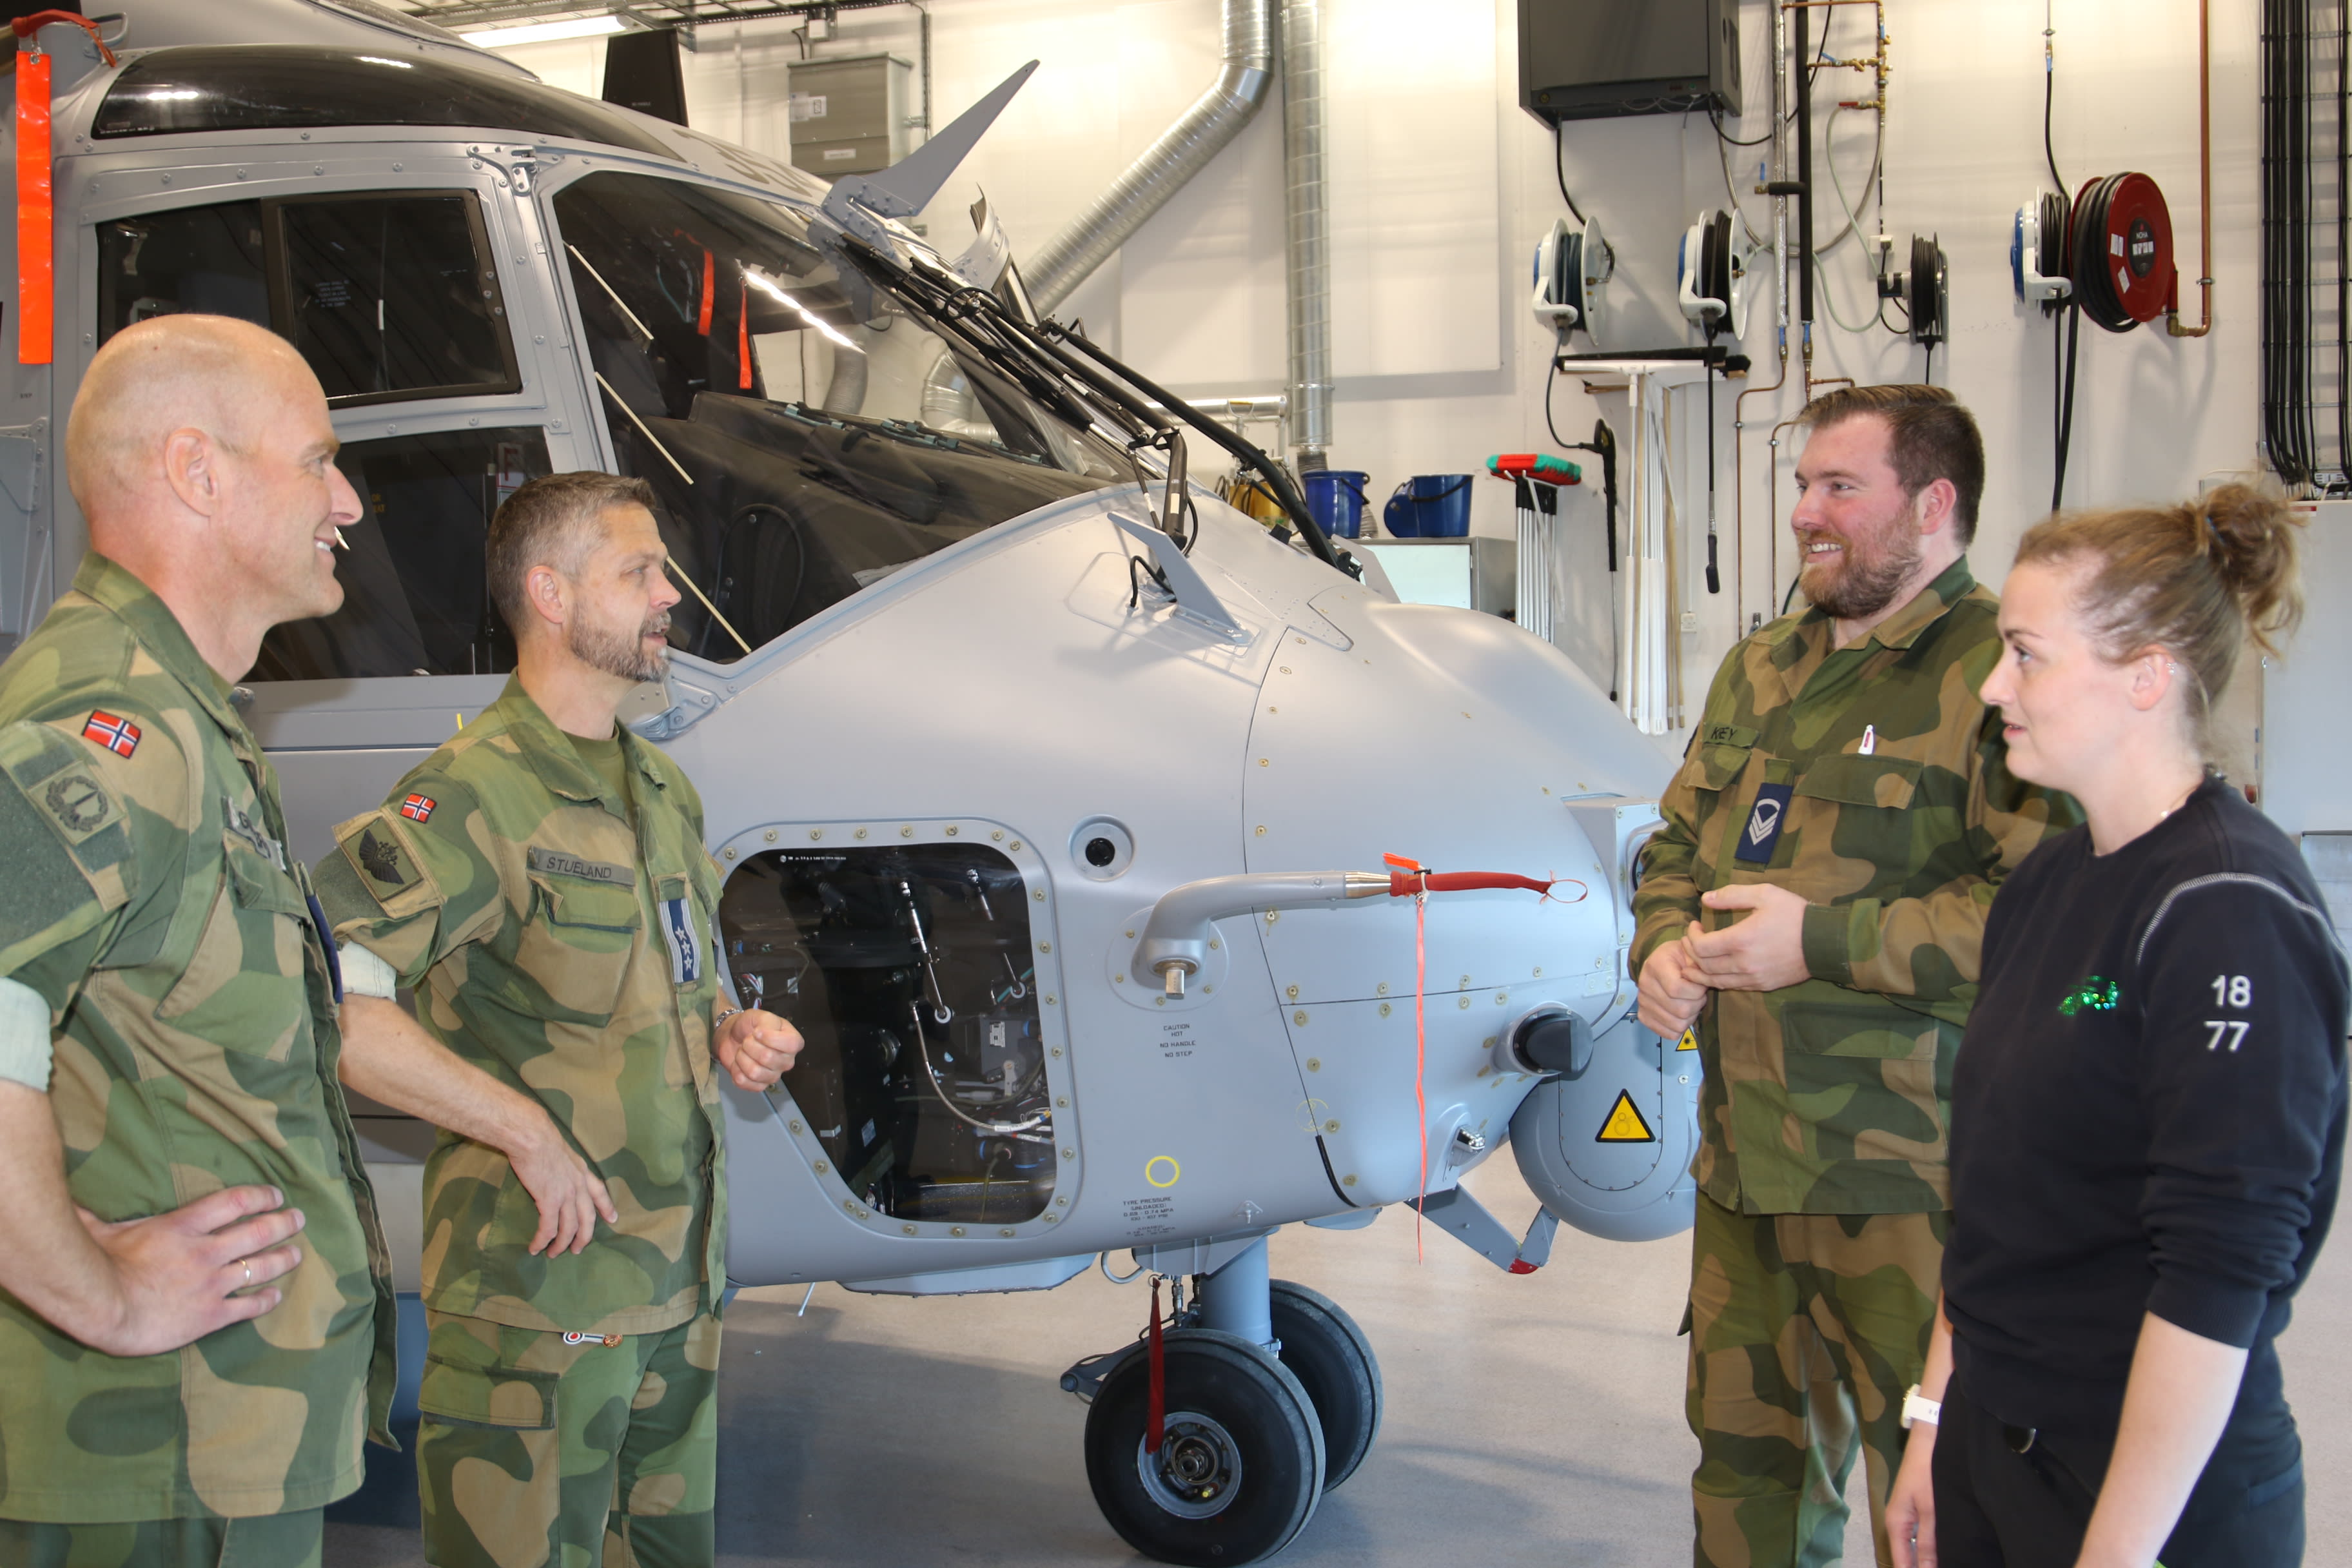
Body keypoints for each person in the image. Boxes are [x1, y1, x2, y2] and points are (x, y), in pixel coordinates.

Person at [316, 472, 803, 1567]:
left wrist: (728, 1028)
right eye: (640, 573)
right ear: (550, 593)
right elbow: (331, 998)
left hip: (677, 1293)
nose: (670, 595)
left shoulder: (661, 790)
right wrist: (523, 1131)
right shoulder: (469, 796)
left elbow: (667, 976)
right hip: (538, 1310)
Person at [1632, 384, 2080, 1568]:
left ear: (1932, 506)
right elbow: (1674, 848)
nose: (1805, 514)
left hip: (1914, 1184)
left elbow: (2045, 918)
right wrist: (1662, 946)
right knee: (1744, 1481)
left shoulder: (1999, 675)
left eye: (1841, 487)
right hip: (1746, 1168)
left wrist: (1818, 942)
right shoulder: (1758, 666)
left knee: (1939, 1498)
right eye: (1802, 486)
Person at [1884, 485, 2347, 1568]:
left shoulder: (2228, 911)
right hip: (1995, 1436)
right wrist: (1935, 1421)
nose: (1994, 685)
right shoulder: (2048, 883)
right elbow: (1992, 1199)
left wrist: (2115, 1554)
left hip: (2142, 1488)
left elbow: (2219, 1275)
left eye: (2026, 655)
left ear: (2147, 675)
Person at [0, 316, 393, 1565]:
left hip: (215, 1437)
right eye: (317, 460)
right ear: (196, 471)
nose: (349, 503)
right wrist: (100, 1292)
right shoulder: (110, 718)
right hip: (151, 1457)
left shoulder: (185, 716)